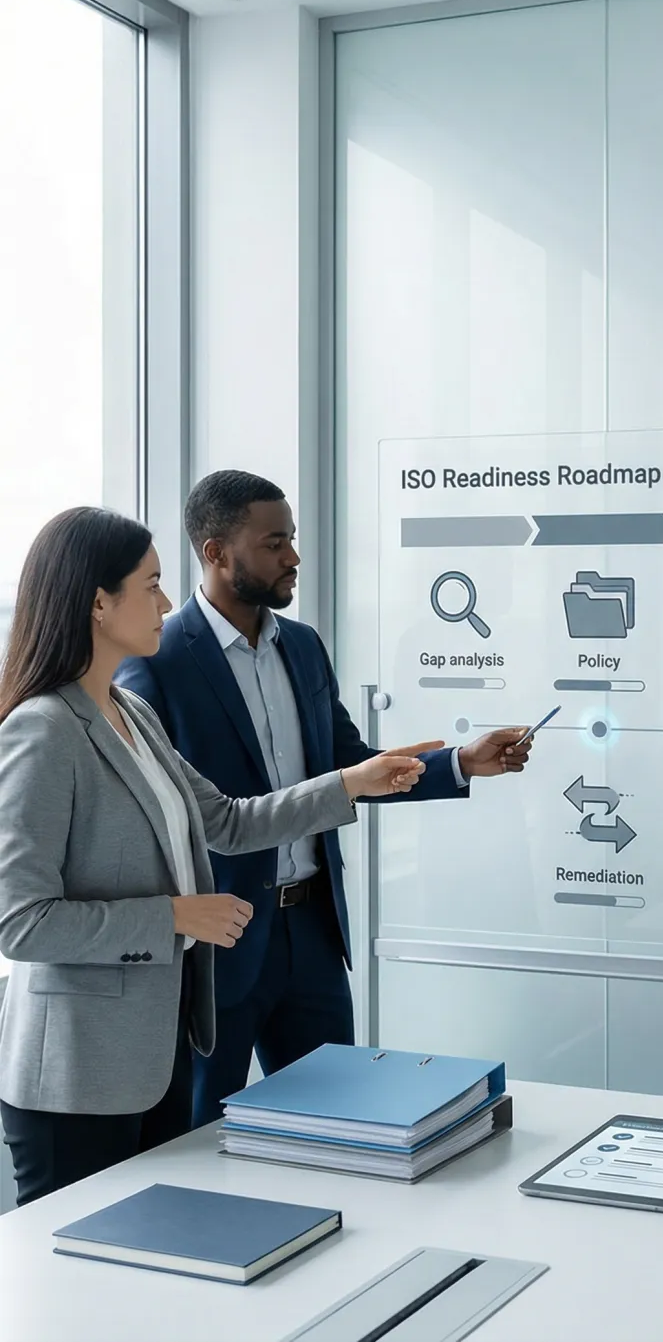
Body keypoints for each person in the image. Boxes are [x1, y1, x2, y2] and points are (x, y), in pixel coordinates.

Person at [0, 508, 438, 1206]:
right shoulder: (42, 730)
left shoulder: (131, 713)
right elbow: (22, 922)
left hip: (156, 1058)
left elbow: (227, 820)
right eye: (151, 585)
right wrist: (174, 917)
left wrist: (353, 782)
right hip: (76, 1078)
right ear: (98, 602)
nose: (166, 604)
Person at [117, 471, 533, 1128]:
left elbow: (348, 763)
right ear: (216, 552)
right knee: (198, 1137)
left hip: (312, 932)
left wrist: (459, 762)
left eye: (291, 538)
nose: (293, 557)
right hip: (219, 940)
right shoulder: (157, 659)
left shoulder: (304, 646)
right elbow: (160, 811)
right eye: (273, 543)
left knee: (342, 1122)